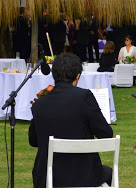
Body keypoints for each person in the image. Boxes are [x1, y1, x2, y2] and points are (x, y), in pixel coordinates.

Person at [29, 53, 114, 187]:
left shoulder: (39, 104)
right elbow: (106, 133)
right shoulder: (84, 97)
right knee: (109, 173)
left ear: (53, 75)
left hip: (47, 177)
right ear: (77, 76)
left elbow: (33, 141)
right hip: (83, 175)